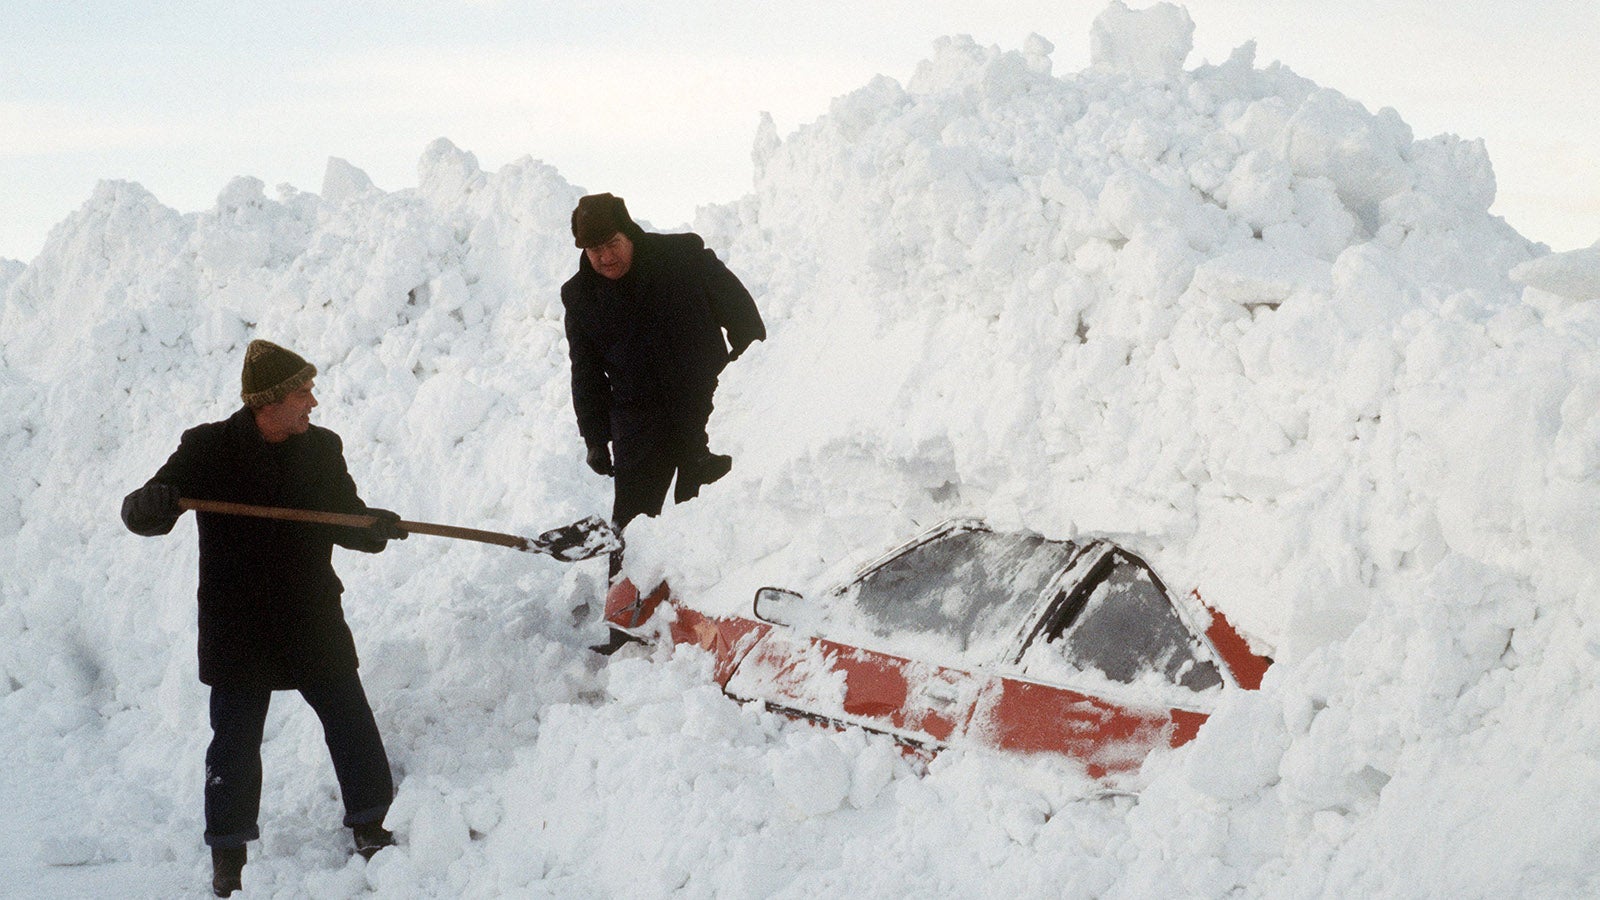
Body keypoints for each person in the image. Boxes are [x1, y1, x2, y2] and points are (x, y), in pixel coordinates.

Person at [121, 339, 407, 897]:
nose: (313, 403)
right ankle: (228, 857)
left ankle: (372, 823)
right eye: (303, 393)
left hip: (309, 610)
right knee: (233, 740)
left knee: (349, 718)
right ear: (268, 403)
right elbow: (144, 511)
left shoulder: (321, 448)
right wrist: (147, 505)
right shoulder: (208, 448)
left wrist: (371, 527)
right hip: (238, 620)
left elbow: (342, 519)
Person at [560, 192, 765, 532]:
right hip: (638, 419)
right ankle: (628, 585)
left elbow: (742, 315)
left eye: (613, 244)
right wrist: (595, 438)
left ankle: (712, 583)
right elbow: (586, 371)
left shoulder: (682, 258)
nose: (606, 257)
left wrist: (748, 380)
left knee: (708, 516)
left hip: (708, 406)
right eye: (595, 250)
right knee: (631, 529)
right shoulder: (580, 295)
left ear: (630, 234)